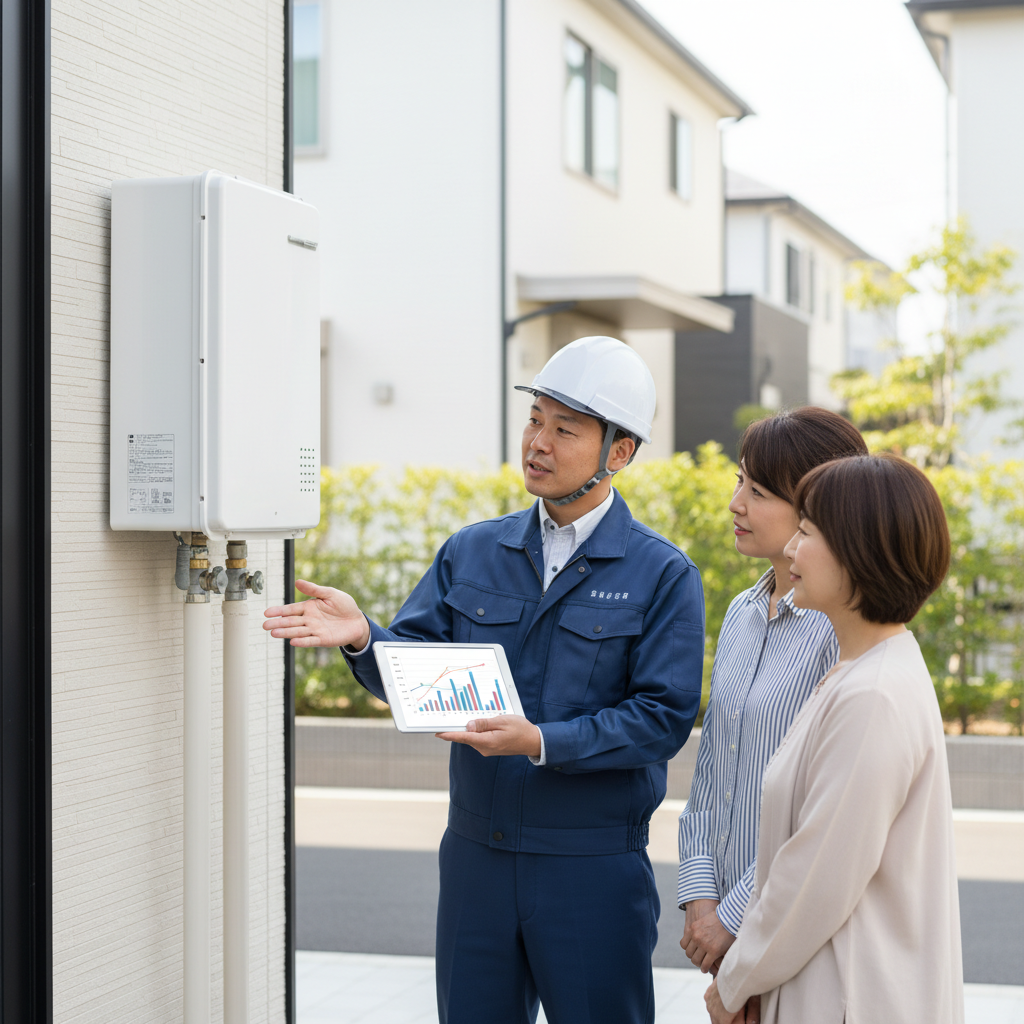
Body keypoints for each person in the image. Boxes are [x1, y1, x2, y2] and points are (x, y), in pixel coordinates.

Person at [263, 336, 706, 1024]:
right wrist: (363, 636)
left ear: (619, 452)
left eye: (566, 429)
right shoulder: (474, 550)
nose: (539, 442)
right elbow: (415, 669)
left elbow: (662, 719)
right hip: (477, 859)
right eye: (536, 421)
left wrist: (540, 741)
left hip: (590, 867)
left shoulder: (662, 574)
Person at [704, 453, 963, 1024]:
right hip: (826, 984)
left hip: (849, 994)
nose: (792, 550)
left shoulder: (872, 694)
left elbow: (814, 878)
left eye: (808, 532)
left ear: (860, 552)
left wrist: (735, 979)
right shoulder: (862, 669)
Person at [677, 409, 868, 993]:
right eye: (739, 481)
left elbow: (823, 817)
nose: (736, 503)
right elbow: (710, 776)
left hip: (798, 937)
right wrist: (700, 899)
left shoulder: (841, 631)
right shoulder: (740, 611)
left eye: (757, 491)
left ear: (819, 507)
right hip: (727, 938)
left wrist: (733, 921)